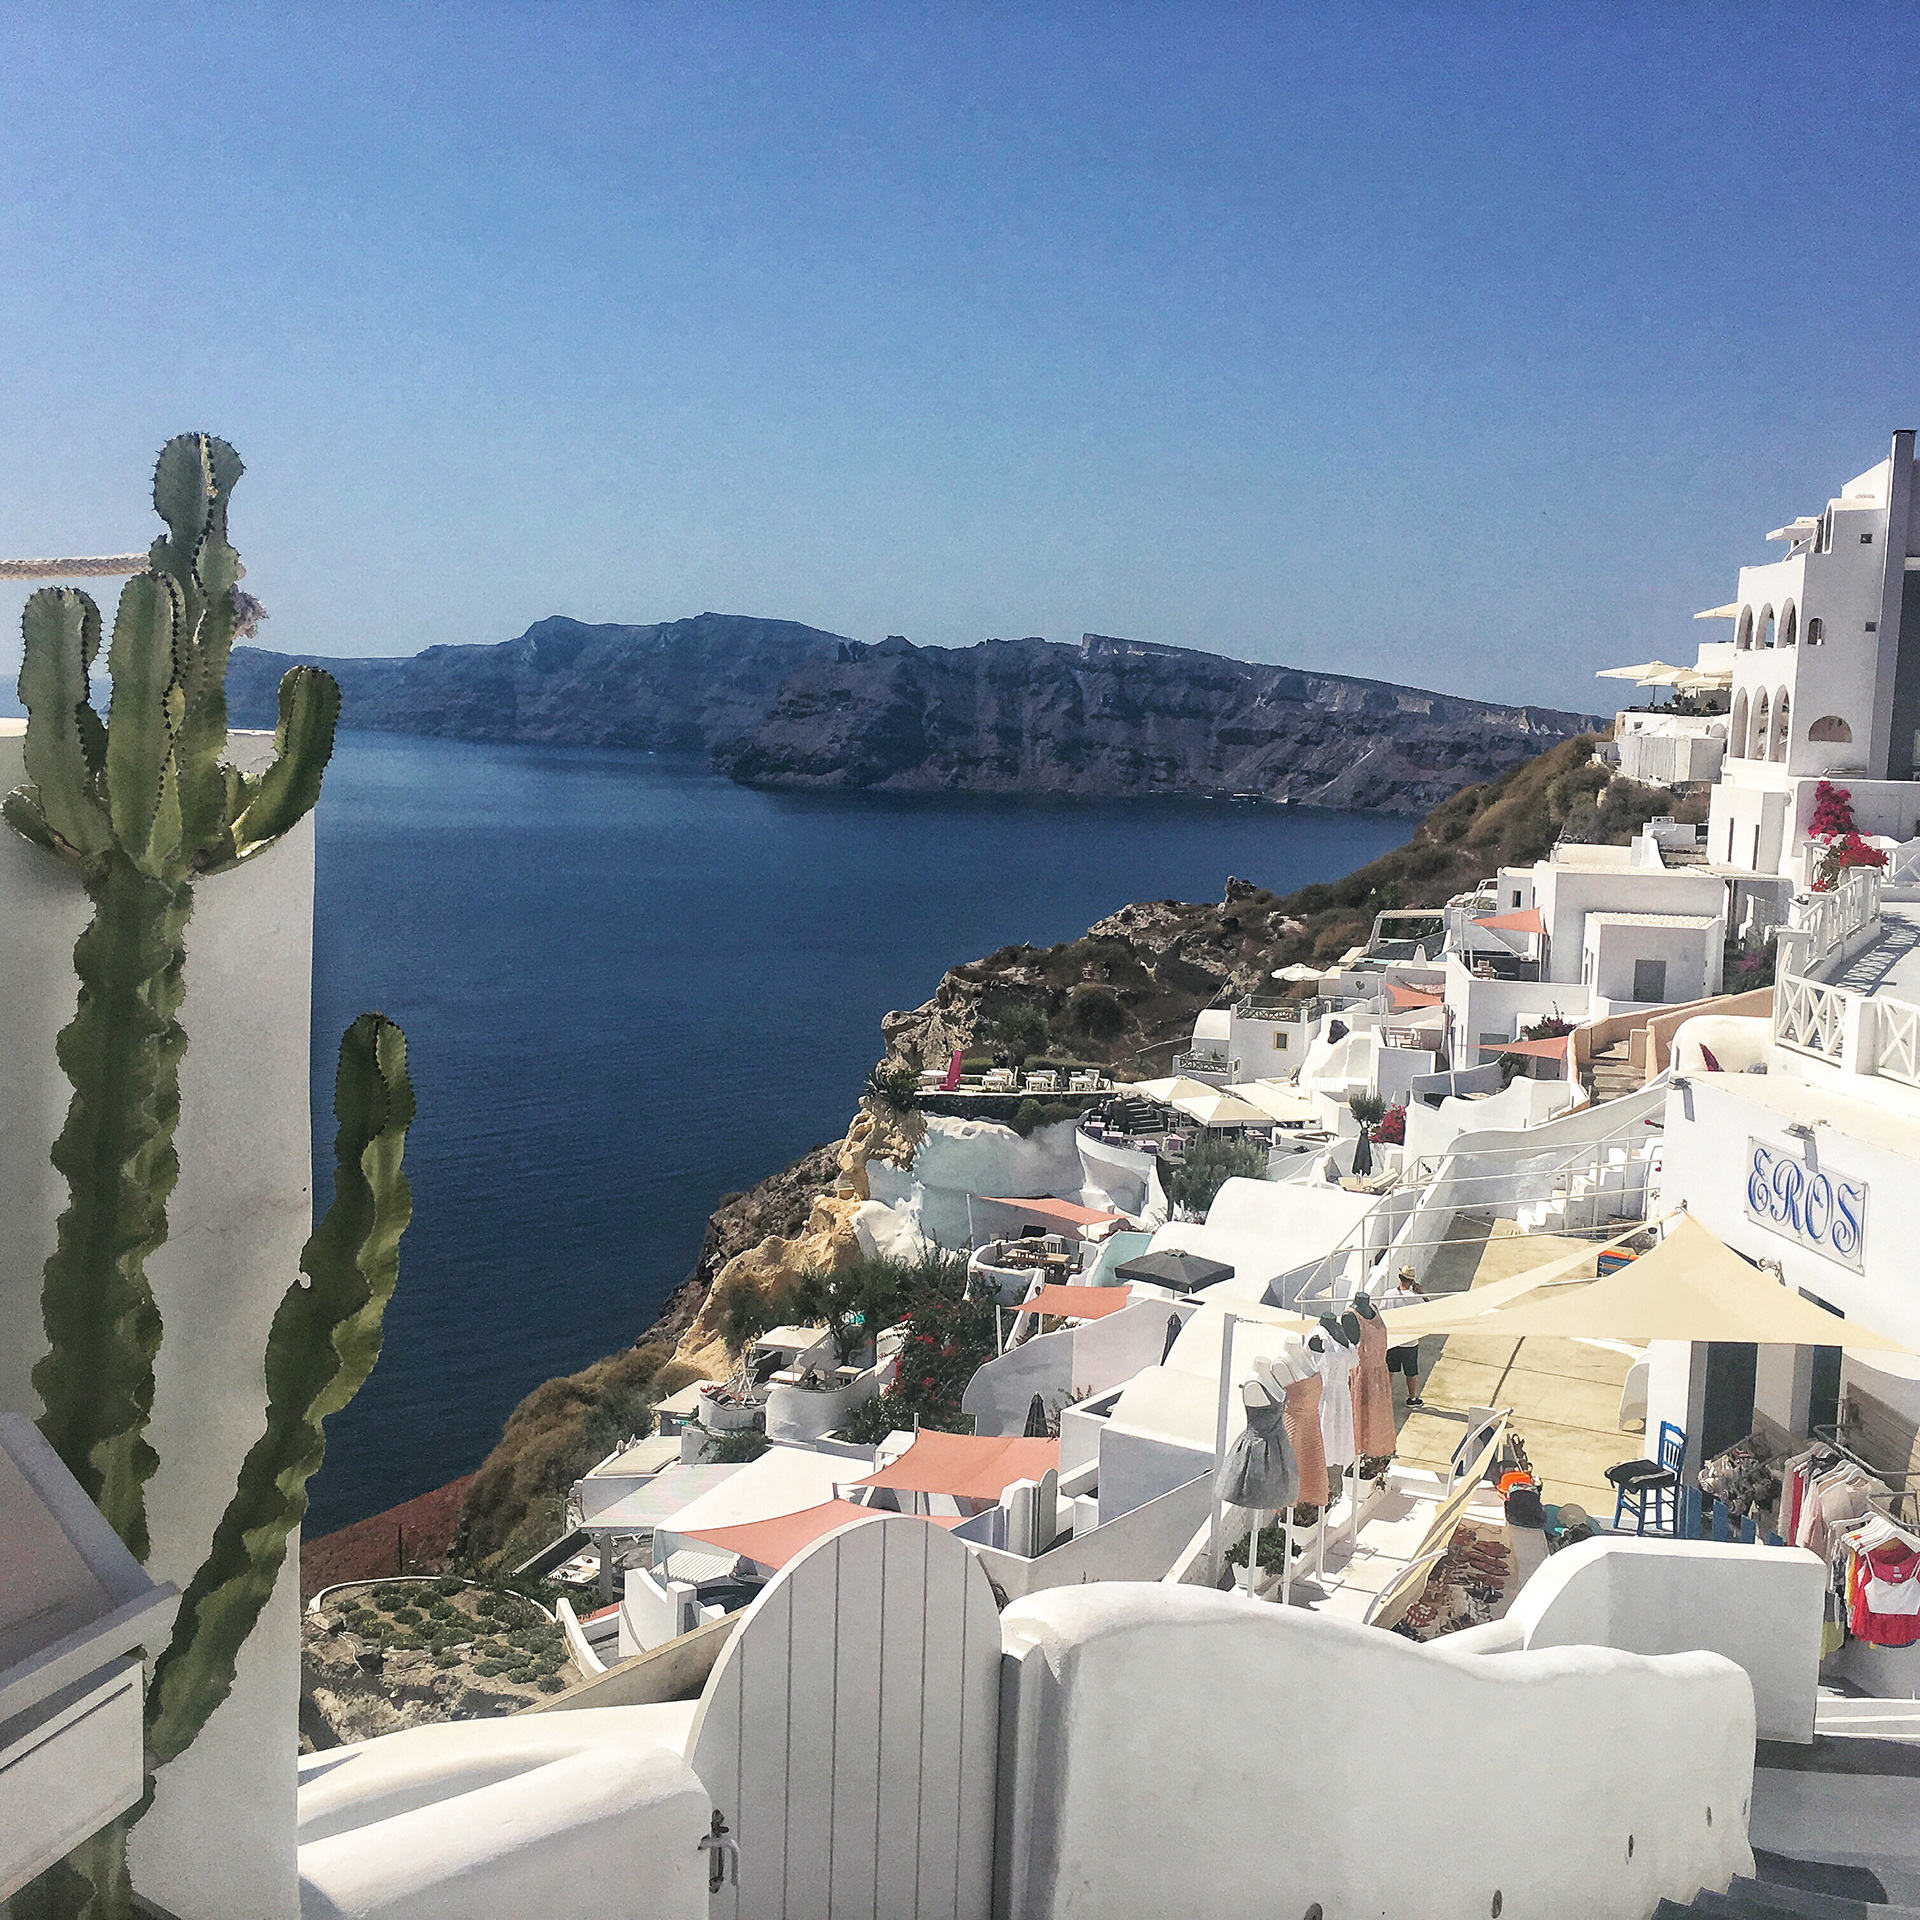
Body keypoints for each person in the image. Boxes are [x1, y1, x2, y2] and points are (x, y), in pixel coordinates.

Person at [1378, 1267, 1426, 1407]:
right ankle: (1412, 1398)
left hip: (1393, 1340)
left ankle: (1384, 1398)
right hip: (1409, 1342)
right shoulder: (1416, 1298)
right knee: (1411, 1372)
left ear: (1399, 1277)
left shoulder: (1388, 1294)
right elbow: (1428, 1310)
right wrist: (1422, 1294)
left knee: (1390, 1371)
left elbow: (1382, 1314)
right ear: (1412, 1281)